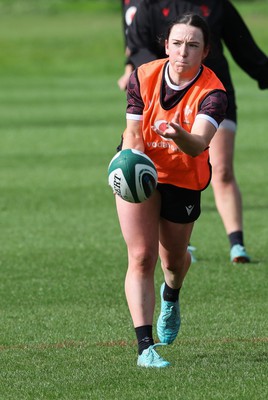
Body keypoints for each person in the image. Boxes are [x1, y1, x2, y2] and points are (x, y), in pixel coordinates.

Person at [112, 13, 227, 367]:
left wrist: (178, 133)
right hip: (141, 169)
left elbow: (197, 145)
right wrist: (131, 156)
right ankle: (145, 347)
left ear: (205, 51)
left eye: (193, 45)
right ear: (166, 45)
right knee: (141, 256)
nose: (183, 52)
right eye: (177, 43)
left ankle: (172, 294)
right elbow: (132, 131)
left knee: (172, 262)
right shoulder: (142, 76)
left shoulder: (213, 93)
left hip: (184, 178)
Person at [118, 0, 268, 263]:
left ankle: (237, 244)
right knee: (164, 173)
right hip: (160, 99)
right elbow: (137, 44)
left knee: (221, 168)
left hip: (209, 100)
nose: (183, 50)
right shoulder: (152, 6)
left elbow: (244, 47)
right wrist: (155, 77)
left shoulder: (216, 5)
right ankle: (179, 245)